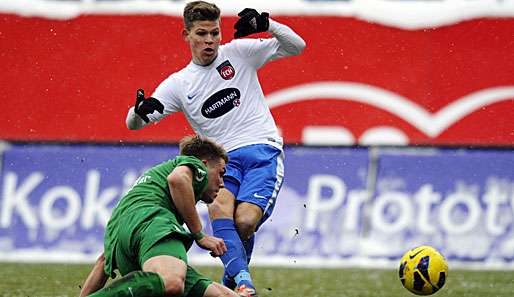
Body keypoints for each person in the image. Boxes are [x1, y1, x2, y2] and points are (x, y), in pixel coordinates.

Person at [126, 1, 306, 296]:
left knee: (245, 223)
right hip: (221, 162)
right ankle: (244, 284)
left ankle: (229, 284)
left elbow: (297, 46)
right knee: (221, 209)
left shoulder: (239, 53)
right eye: (201, 34)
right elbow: (134, 124)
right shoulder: (179, 84)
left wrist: (268, 25)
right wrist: (139, 111)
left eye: (214, 33)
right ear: (186, 35)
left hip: (263, 151)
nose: (209, 41)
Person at [79, 135, 240, 297]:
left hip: (122, 244)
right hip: (153, 224)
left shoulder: (146, 190)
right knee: (172, 282)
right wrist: (200, 235)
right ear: (204, 164)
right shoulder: (195, 164)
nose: (222, 183)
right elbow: (177, 179)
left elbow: (103, 260)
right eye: (220, 173)